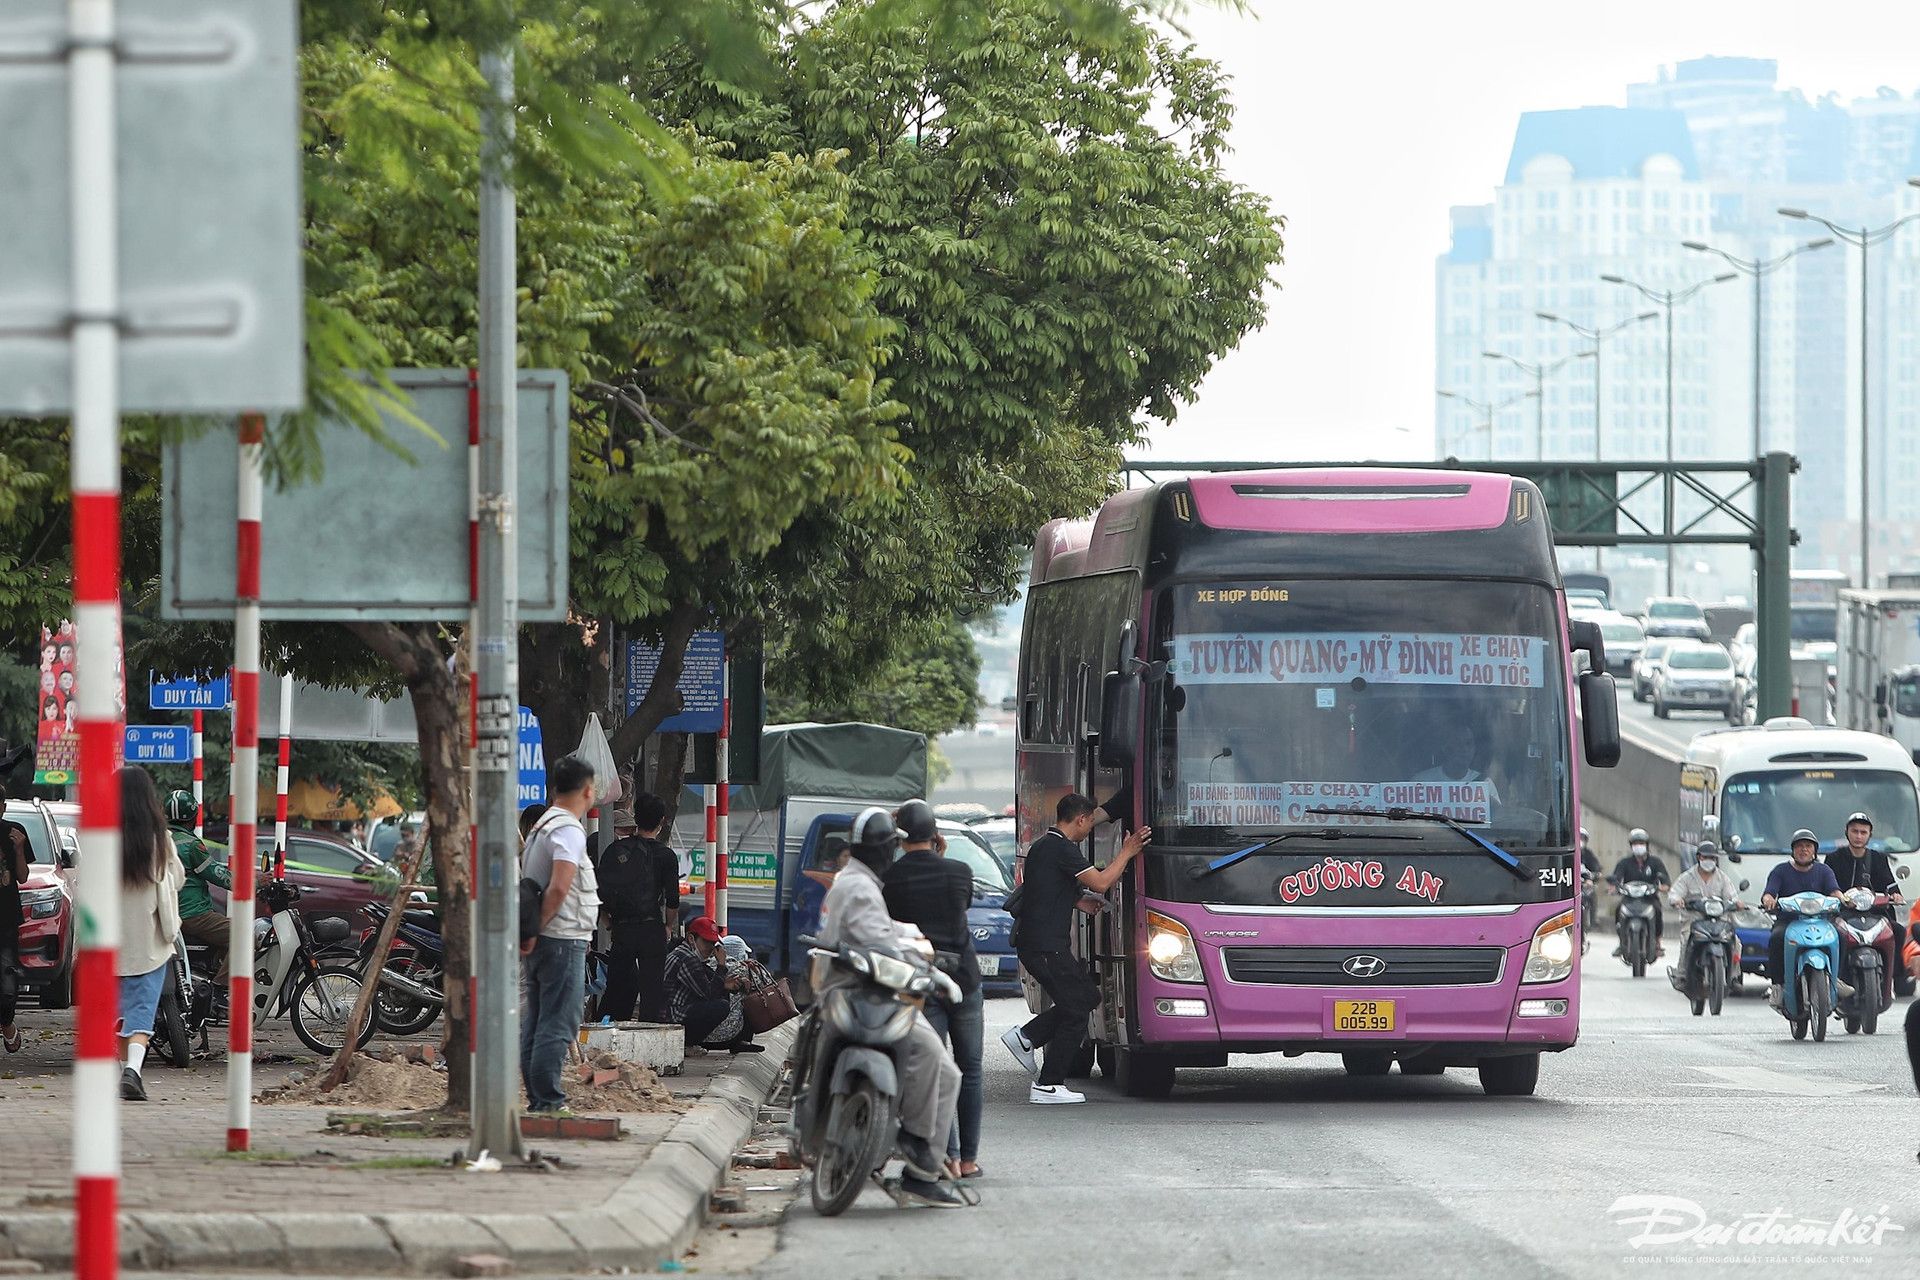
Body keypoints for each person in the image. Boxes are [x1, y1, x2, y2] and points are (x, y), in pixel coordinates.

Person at [819, 807, 963, 1208]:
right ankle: (918, 1146)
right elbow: (879, 946)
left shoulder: (852, 880)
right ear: (884, 849)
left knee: (945, 1069)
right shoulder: (861, 888)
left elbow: (879, 931)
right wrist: (931, 974)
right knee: (937, 1057)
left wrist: (907, 934)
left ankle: (921, 1159)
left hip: (849, 991)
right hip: (866, 994)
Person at [1002, 792, 1149, 1105]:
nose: (1089, 829)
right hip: (1046, 947)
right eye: (1088, 822)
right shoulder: (1062, 848)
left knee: (1086, 998)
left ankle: (1027, 1039)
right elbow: (1101, 882)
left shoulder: (1042, 846)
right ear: (1081, 819)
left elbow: (1047, 890)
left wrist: (1078, 902)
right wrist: (1127, 852)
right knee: (1077, 1008)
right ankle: (1046, 1080)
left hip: (1040, 944)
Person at [883, 799, 984, 1180]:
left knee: (938, 1070)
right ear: (936, 834)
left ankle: (948, 1157)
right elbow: (959, 905)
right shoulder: (959, 871)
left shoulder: (890, 879)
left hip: (922, 980)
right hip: (965, 978)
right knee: (969, 1068)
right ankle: (970, 1158)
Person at [519, 754, 601, 1113]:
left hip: (545, 938)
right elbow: (559, 886)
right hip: (561, 938)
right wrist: (539, 927)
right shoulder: (567, 829)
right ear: (587, 790)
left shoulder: (542, 825)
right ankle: (549, 1101)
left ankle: (540, 1099)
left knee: (538, 1020)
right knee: (559, 1020)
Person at [118, 767, 186, 1101]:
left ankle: (124, 1072)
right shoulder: (161, 839)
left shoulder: (104, 836)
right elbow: (177, 879)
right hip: (150, 941)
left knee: (119, 1013)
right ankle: (133, 1070)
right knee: (142, 1010)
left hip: (111, 941)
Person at [597, 794, 681, 1022]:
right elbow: (673, 900)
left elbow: (599, 892)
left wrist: (609, 923)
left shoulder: (616, 851)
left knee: (616, 987)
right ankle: (648, 1037)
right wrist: (668, 926)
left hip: (622, 929)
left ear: (636, 818)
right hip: (651, 928)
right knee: (652, 991)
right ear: (662, 821)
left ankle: (606, 1030)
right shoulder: (666, 856)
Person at [1824, 811, 1910, 995]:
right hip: (1843, 914)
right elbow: (1828, 886)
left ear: (1869, 835)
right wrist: (1838, 898)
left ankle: (1894, 977)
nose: (1858, 836)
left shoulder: (1879, 858)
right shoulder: (1833, 858)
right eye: (1854, 831)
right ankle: (1835, 978)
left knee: (1899, 930)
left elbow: (1890, 885)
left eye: (1863, 832)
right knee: (1830, 936)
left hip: (1874, 913)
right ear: (1847, 832)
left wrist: (1895, 896)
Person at [1762, 828, 1846, 1010]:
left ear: (1815, 850)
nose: (1804, 850)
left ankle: (1837, 978)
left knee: (1841, 934)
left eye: (1808, 846)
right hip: (1788, 921)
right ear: (1793, 850)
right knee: (1776, 937)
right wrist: (1768, 899)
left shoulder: (1824, 870)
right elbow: (1769, 892)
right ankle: (1777, 985)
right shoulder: (1780, 871)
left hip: (1820, 921)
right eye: (1799, 846)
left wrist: (1842, 898)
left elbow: (1834, 890)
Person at [661, 915, 759, 1051]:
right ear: (691, 938)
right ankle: (686, 1044)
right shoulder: (687, 958)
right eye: (707, 942)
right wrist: (721, 965)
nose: (711, 948)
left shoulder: (688, 955)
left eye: (713, 944)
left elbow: (708, 984)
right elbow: (709, 994)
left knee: (721, 999)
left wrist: (725, 984)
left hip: (674, 1010)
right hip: (671, 1014)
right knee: (721, 1007)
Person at [163, 790, 231, 981]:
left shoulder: (159, 840)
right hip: (193, 915)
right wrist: (256, 885)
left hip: (167, 913)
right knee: (243, 936)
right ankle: (220, 988)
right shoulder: (191, 845)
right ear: (193, 817)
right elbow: (219, 875)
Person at [1666, 841, 1742, 990]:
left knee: (1736, 943)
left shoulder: (1722, 878)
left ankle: (1734, 976)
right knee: (1686, 939)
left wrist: (1737, 903)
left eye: (1712, 858)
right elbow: (1674, 893)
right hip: (1694, 919)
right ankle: (1682, 975)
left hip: (1719, 920)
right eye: (1705, 857)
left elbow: (1732, 896)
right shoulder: (1687, 877)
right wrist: (1677, 900)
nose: (1709, 861)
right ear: (1699, 857)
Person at [0, 774, 31, 1055]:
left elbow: (22, 876)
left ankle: (7, 1024)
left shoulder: (14, 833)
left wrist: (19, 849)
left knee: (8, 982)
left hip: (7, 920)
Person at [1608, 828, 1671, 957]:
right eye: (1636, 843)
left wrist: (1663, 886)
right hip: (1629, 899)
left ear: (1647, 845)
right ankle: (1622, 941)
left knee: (1658, 910)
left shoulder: (1655, 862)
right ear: (1631, 846)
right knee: (1618, 910)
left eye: (1641, 843)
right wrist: (1614, 887)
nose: (1639, 846)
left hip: (1649, 899)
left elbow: (1665, 880)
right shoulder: (1624, 863)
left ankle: (1657, 941)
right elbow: (1617, 878)